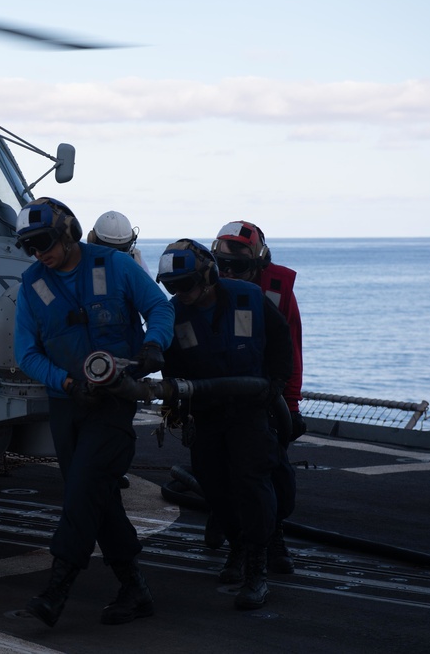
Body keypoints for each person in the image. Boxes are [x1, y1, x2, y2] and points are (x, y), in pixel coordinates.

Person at [13, 197, 174, 627]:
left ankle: (56, 590)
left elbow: (159, 306)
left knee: (83, 488)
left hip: (114, 400)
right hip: (69, 405)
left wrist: (154, 343)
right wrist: (66, 383)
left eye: (43, 242)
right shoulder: (32, 285)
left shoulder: (116, 266)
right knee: (96, 496)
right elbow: (25, 352)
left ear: (68, 231)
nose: (39, 253)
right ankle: (134, 588)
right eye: (29, 247)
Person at [156, 239, 292, 610]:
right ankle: (237, 547)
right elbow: (169, 363)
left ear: (208, 276)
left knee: (253, 482)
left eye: (184, 284)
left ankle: (256, 569)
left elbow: (282, 338)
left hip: (250, 409)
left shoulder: (248, 297)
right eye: (172, 287)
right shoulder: (175, 316)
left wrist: (277, 383)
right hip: (207, 413)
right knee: (215, 488)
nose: (179, 293)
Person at [212, 220, 303, 574]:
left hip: (267, 397)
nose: (230, 272)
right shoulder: (207, 286)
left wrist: (290, 406)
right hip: (219, 395)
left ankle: (273, 536)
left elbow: (291, 348)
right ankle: (235, 535)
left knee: (271, 473)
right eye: (224, 265)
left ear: (259, 261)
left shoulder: (278, 291)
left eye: (238, 264)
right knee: (218, 471)